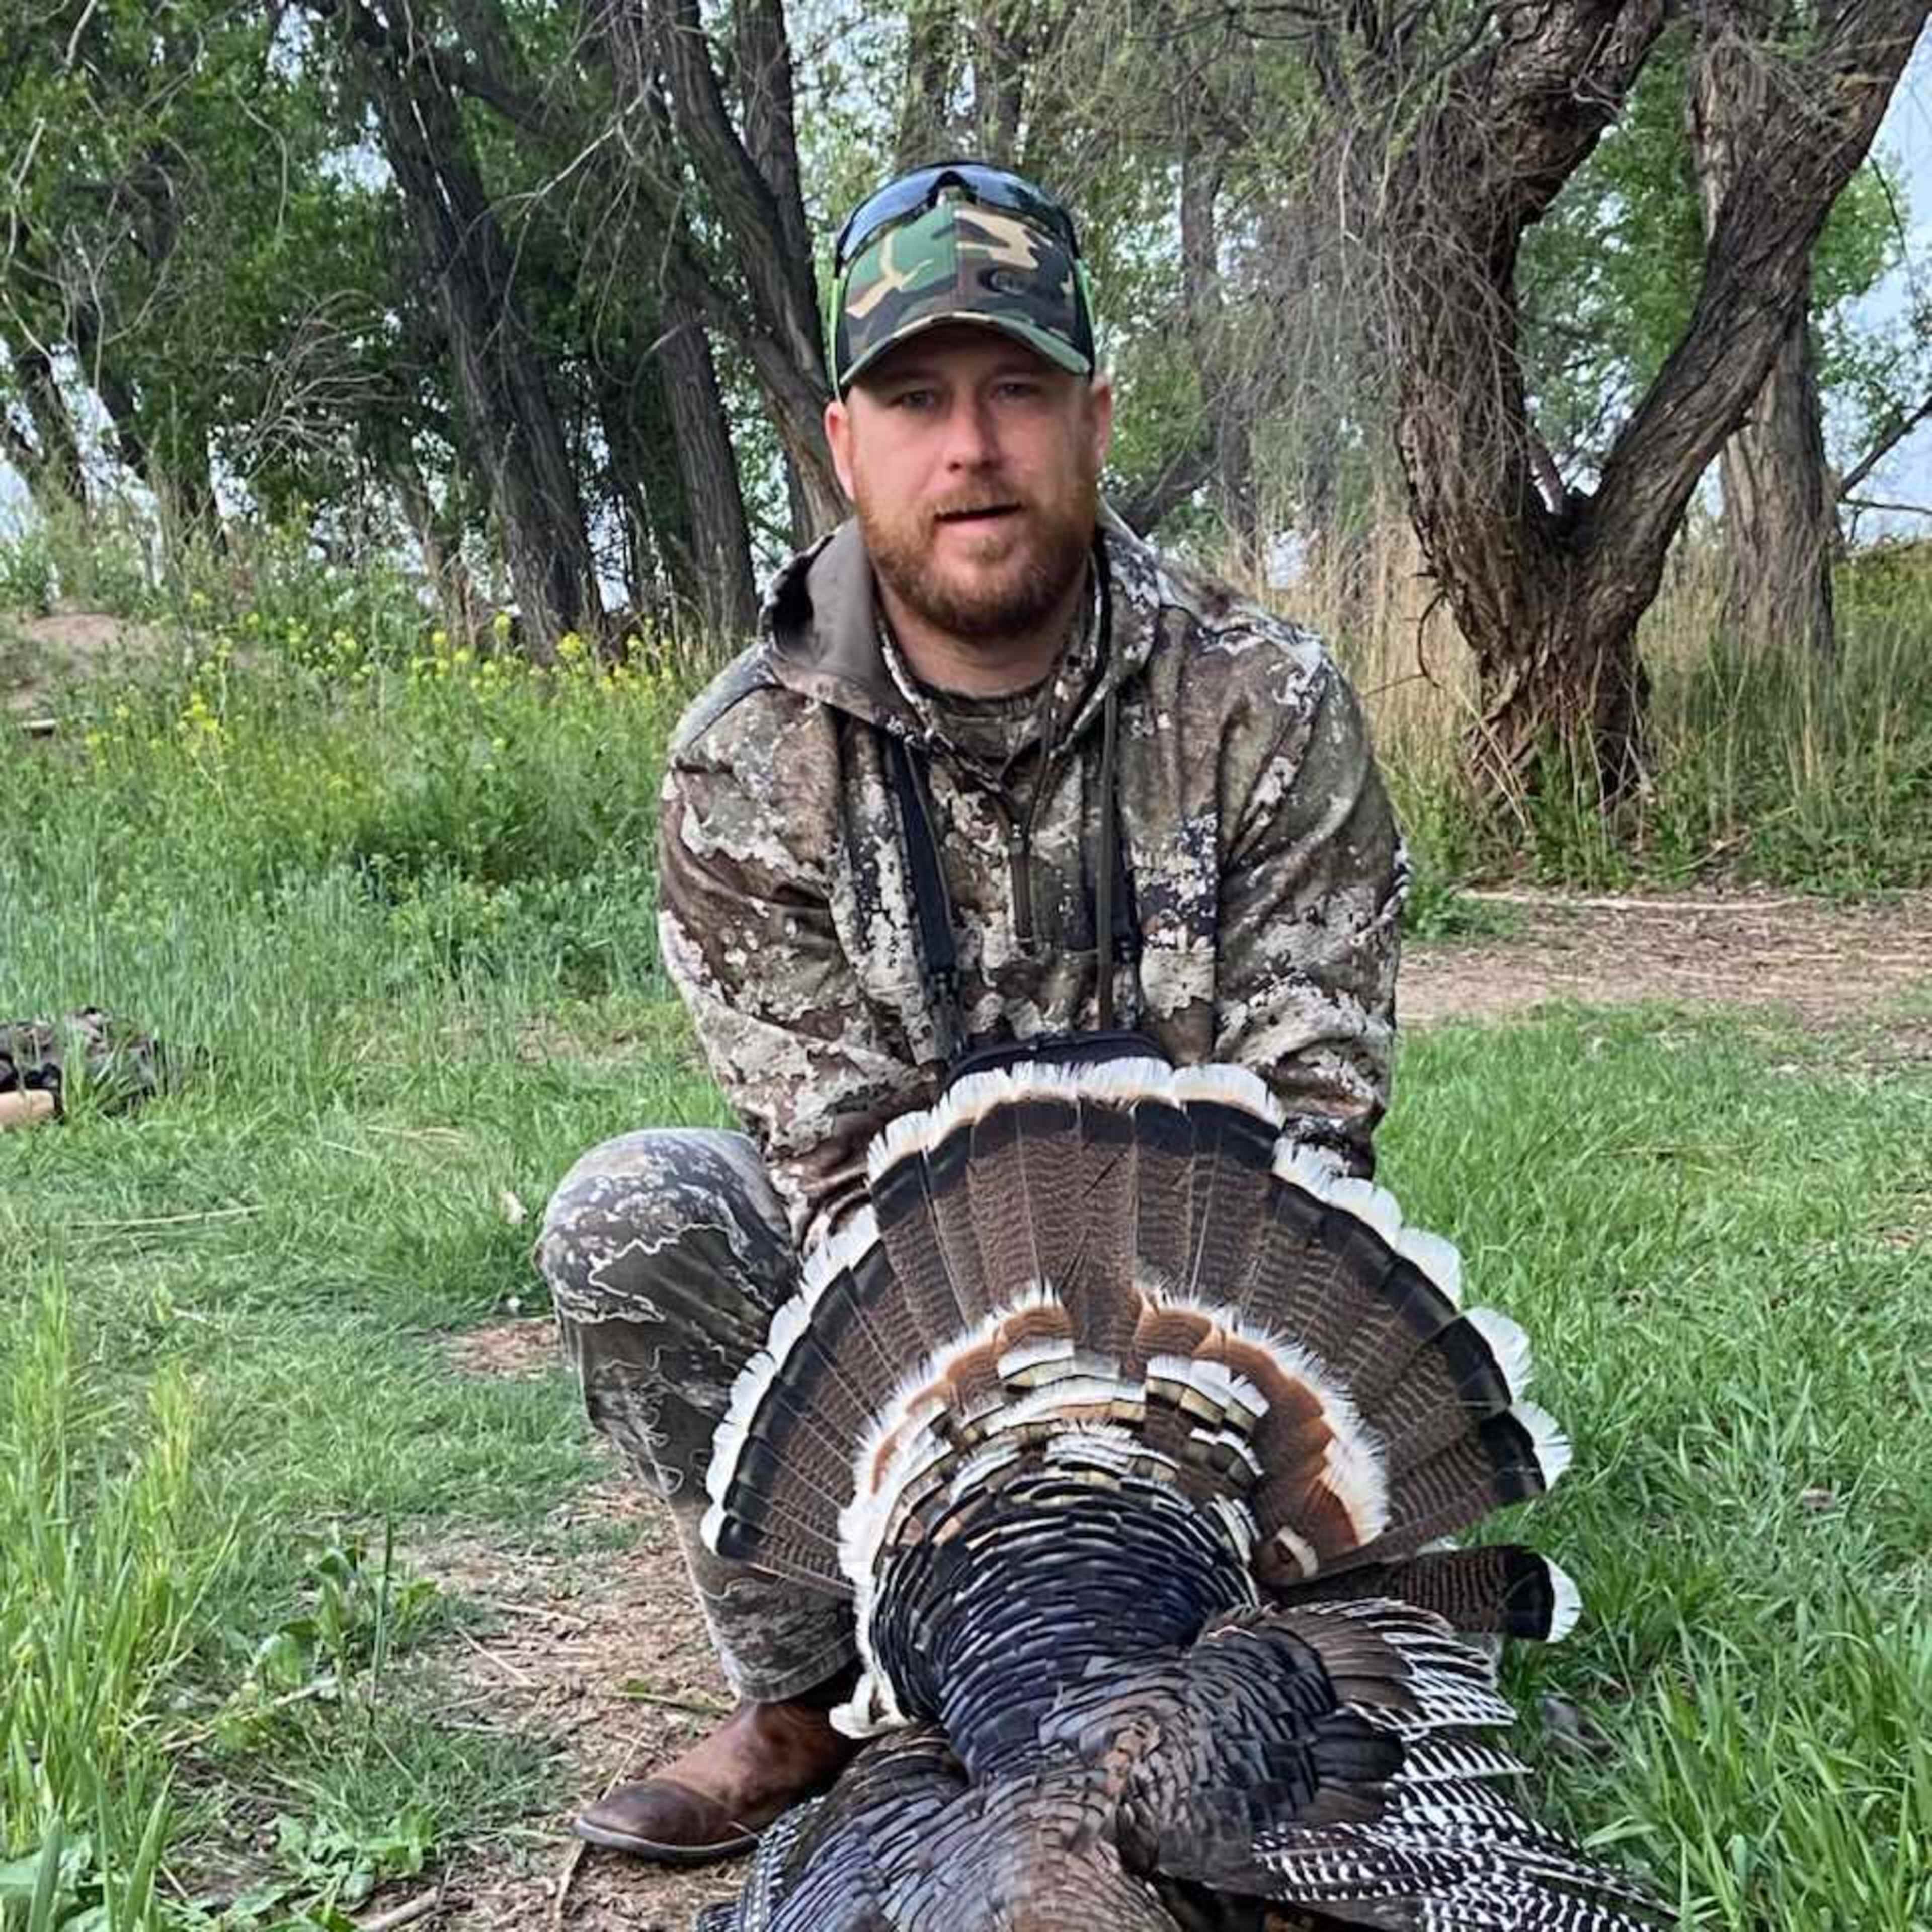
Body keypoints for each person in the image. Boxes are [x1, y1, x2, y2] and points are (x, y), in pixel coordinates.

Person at [535, 160, 1408, 1866]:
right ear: (842, 445)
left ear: (1093, 418)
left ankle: (1208, 1638)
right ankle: (814, 1693)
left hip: (1196, 1327)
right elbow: (839, 1169)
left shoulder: (1265, 700)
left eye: (1016, 388)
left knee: (1333, 1728)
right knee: (632, 1216)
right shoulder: (745, 760)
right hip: (902, 1345)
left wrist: (1130, 1478)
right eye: (917, 399)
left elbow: (1310, 1123)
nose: (972, 446)